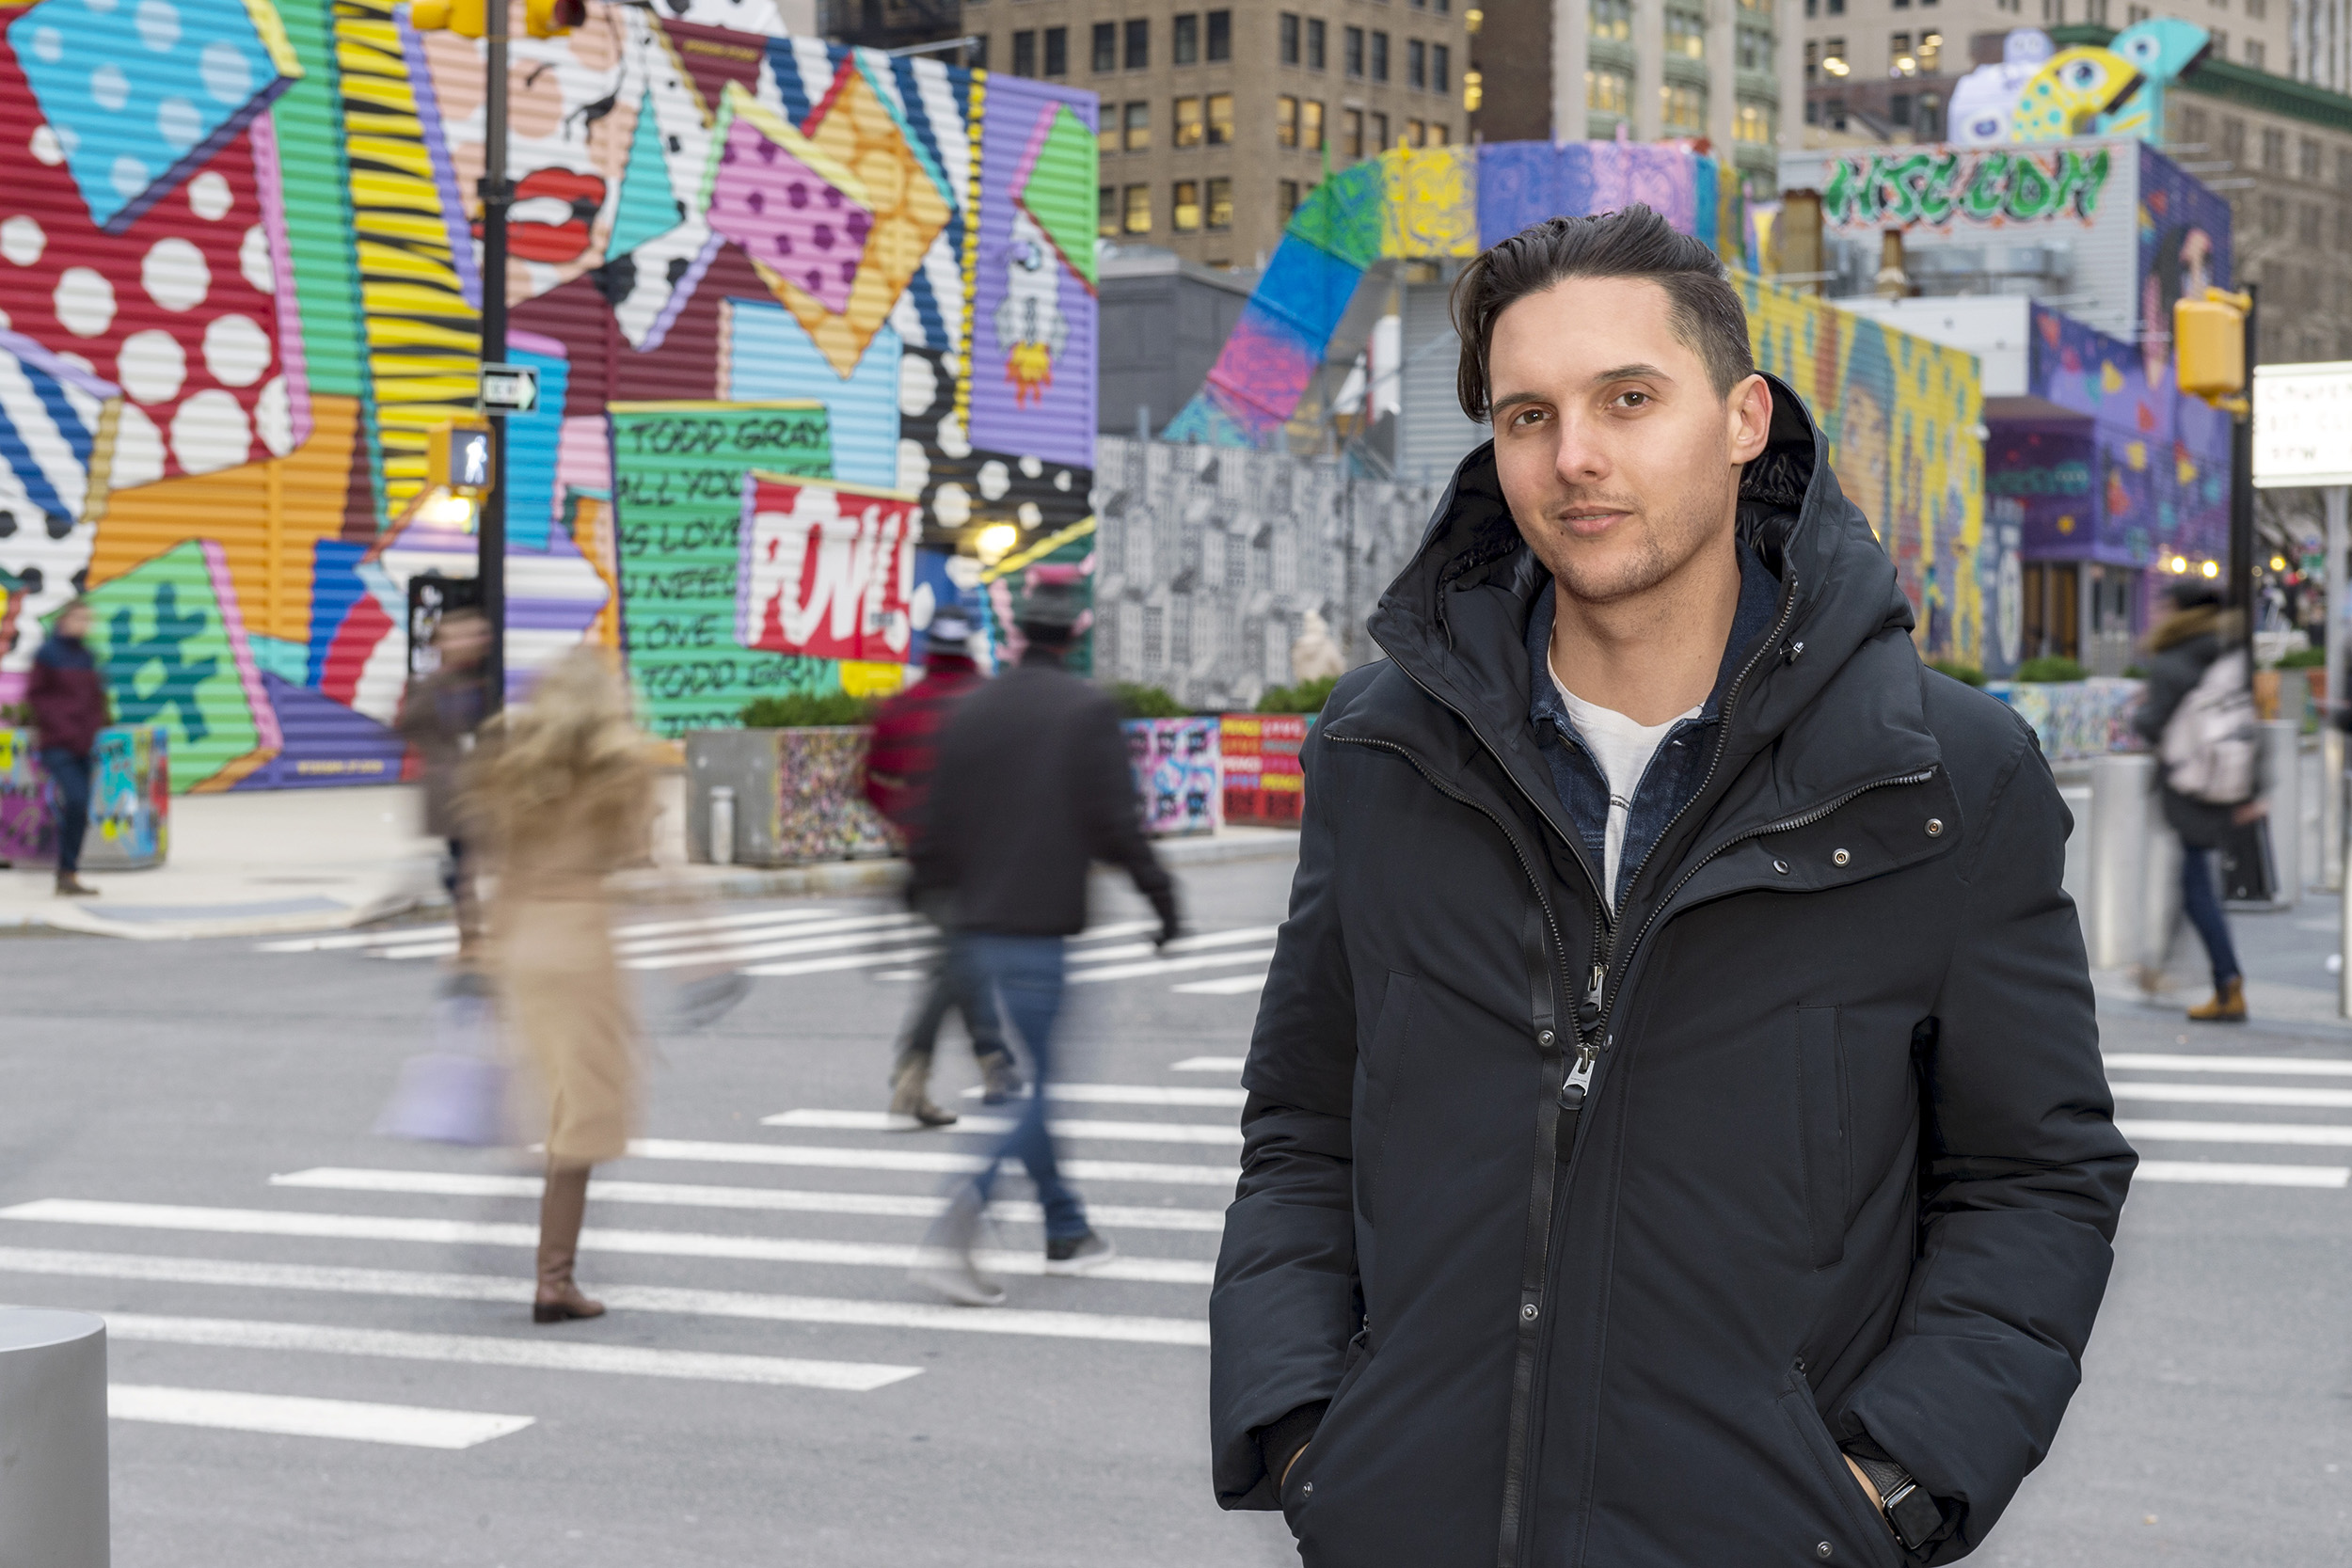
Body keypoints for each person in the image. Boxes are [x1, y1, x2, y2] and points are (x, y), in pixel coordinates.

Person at [1210, 208, 2134, 1564]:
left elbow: (2034, 1175)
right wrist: (1307, 1437)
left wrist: (1898, 1481)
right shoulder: (1380, 749)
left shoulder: (1945, 773)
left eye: (1628, 399)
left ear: (1744, 418)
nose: (1574, 456)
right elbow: (1303, 1126)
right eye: (1528, 415)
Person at [908, 579, 1181, 1307]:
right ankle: (961, 1218)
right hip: (1036, 934)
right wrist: (1163, 900)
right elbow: (1116, 825)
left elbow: (935, 822)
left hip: (972, 931)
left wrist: (915, 897)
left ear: (1021, 632)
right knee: (1036, 1090)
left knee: (1026, 1084)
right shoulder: (1085, 710)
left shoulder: (974, 707)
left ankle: (1066, 1226)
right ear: (1073, 637)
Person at [469, 649, 656, 1323]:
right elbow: (643, 859)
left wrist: (487, 958)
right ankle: (555, 1278)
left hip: (525, 948)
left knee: (551, 1104)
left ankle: (549, 1260)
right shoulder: (621, 768)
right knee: (584, 1118)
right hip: (582, 947)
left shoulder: (519, 769)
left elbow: (501, 870)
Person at [861, 603, 1022, 1127]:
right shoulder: (989, 702)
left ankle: (996, 1065)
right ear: (970, 645)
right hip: (981, 863)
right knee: (958, 964)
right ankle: (913, 1074)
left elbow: (870, 782)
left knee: (962, 959)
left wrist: (907, 821)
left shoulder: (903, 707)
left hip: (927, 864)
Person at [2134, 580, 2264, 1022]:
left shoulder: (2172, 660)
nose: (2160, 612)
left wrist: (2139, 709)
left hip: (2189, 784)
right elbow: (2246, 720)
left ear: (2181, 611)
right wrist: (2253, 788)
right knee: (2191, 879)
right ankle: (2159, 967)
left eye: (2166, 605)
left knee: (2195, 887)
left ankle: (2228, 983)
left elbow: (2153, 724)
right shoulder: (2226, 654)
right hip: (2223, 780)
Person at [397, 608, 494, 962]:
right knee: (462, 865)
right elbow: (407, 725)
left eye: (475, 634)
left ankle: (479, 936)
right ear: (440, 643)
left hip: (482, 786)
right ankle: (472, 938)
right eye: (458, 636)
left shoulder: (483, 682)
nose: (470, 642)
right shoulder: (432, 685)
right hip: (453, 790)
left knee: (472, 863)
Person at [27, 599, 110, 897]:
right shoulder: (48, 654)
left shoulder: (86, 656)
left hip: (83, 745)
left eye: (88, 620)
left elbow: (95, 699)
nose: (83, 625)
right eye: (78, 618)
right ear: (64, 620)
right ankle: (64, 869)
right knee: (74, 800)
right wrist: (59, 726)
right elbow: (36, 696)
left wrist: (96, 726)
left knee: (80, 808)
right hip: (58, 743)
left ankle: (68, 873)